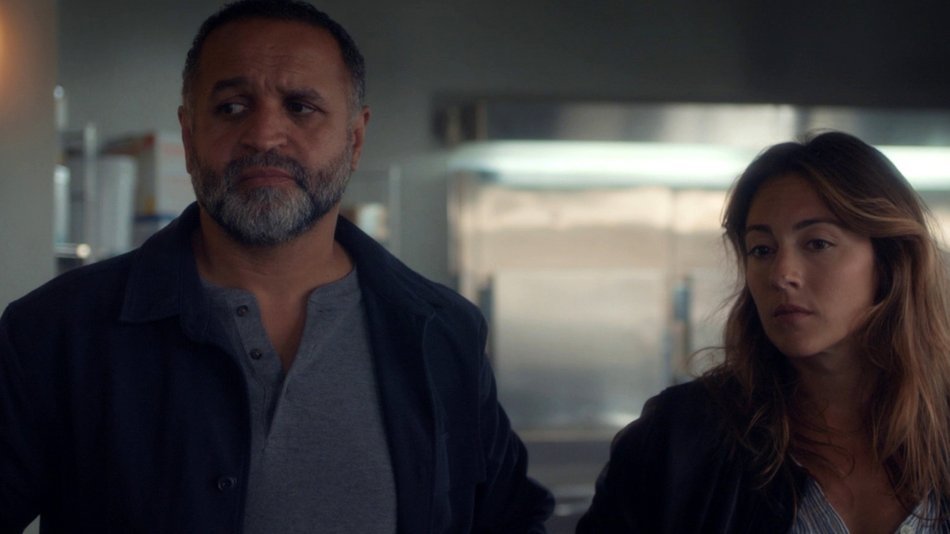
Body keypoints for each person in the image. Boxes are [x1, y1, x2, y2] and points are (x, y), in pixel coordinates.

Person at [0, 1, 553, 532]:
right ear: (189, 138)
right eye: (231, 108)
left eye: (301, 107)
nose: (264, 135)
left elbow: (507, 521)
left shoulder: (443, 333)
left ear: (355, 139)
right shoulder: (56, 333)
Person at [577, 131, 950, 532]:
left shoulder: (940, 423)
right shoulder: (679, 439)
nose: (781, 274)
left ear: (891, 260)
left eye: (817, 243)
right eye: (761, 249)